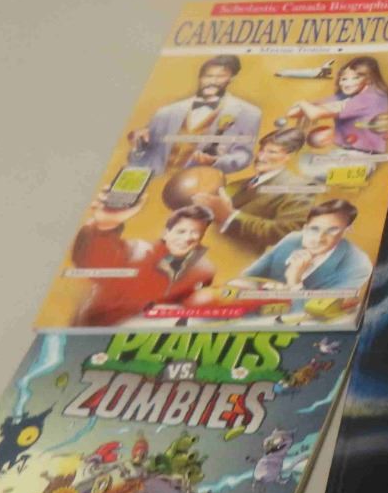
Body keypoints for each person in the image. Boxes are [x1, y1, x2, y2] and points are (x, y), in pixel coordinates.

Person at [70, 202, 217, 327]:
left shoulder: (202, 270)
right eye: (181, 231)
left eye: (195, 233)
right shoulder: (136, 252)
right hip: (100, 328)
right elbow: (91, 260)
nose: (187, 238)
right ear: (166, 233)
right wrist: (105, 226)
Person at [191, 128, 324, 255]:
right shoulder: (236, 184)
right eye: (261, 150)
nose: (261, 157)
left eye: (272, 152)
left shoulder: (300, 187)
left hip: (235, 262)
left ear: (290, 156)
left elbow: (287, 233)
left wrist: (230, 217)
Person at [130, 55, 261, 174]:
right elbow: (144, 155)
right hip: (155, 182)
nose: (213, 81)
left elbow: (243, 155)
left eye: (220, 77)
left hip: (201, 184)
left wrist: (216, 161)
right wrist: (139, 145)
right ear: (200, 77)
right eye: (208, 76)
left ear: (230, 79)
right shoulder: (166, 112)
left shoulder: (248, 113)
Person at [239, 199, 373, 294]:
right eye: (314, 229)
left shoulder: (358, 266)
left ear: (345, 231)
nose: (319, 239)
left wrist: (294, 281)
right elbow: (247, 277)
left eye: (332, 230)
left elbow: (324, 315)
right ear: (305, 228)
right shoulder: (292, 239)